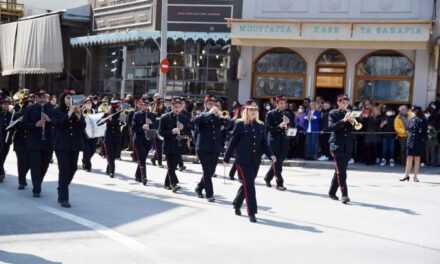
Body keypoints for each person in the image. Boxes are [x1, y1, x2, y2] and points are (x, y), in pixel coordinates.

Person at [224, 100, 275, 223]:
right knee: (250, 186)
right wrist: (227, 157)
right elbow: (233, 142)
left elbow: (264, 144)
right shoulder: (240, 124)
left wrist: (271, 155)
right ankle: (252, 212)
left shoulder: (261, 125)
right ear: (246, 111)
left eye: (255, 109)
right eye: (251, 109)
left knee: (248, 184)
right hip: (242, 160)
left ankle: (237, 203)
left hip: (255, 160)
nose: (253, 112)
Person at [52, 91, 86, 208]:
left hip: (74, 145)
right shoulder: (57, 110)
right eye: (67, 97)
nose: (70, 99)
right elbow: (59, 123)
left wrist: (78, 115)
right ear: (63, 99)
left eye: (72, 98)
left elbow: (83, 126)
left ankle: (62, 186)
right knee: (64, 170)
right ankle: (64, 198)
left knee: (73, 168)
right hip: (61, 145)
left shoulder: (78, 110)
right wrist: (70, 112)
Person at [193, 96, 225, 202]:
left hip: (215, 148)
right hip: (203, 147)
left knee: (211, 172)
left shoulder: (217, 116)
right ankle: (209, 194)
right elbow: (196, 121)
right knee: (207, 171)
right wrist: (210, 113)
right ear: (205, 104)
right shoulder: (201, 114)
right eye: (209, 103)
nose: (211, 105)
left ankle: (199, 187)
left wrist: (222, 116)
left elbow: (229, 126)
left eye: (213, 103)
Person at [22, 90, 53, 197]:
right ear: (36, 98)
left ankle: (38, 182)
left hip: (48, 142)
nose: (43, 99)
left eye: (45, 97)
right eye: (40, 97)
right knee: (35, 166)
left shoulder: (52, 108)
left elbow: (58, 123)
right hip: (34, 142)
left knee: (44, 166)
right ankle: (36, 188)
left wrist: (50, 120)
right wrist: (35, 125)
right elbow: (24, 124)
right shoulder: (29, 109)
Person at [158, 98, 189, 192]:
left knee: (173, 166)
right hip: (168, 145)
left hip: (179, 145)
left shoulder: (184, 117)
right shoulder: (165, 117)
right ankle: (173, 184)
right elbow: (160, 132)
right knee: (170, 166)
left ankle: (167, 183)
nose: (177, 109)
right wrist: (171, 131)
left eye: (179, 107)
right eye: (175, 107)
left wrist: (183, 129)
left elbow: (188, 132)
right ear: (172, 106)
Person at [328, 94, 354, 204]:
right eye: (343, 102)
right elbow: (331, 127)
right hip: (336, 144)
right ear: (338, 102)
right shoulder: (333, 113)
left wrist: (353, 121)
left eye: (347, 102)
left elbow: (354, 129)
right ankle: (344, 195)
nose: (345, 104)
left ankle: (332, 192)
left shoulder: (349, 113)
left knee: (339, 170)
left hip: (347, 145)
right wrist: (343, 120)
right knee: (342, 171)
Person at [264, 96, 293, 191]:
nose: (283, 105)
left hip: (284, 140)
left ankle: (268, 177)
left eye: (284, 103)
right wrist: (280, 126)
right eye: (281, 103)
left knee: (279, 161)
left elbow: (290, 128)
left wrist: (288, 125)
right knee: (277, 162)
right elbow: (269, 129)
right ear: (276, 104)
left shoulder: (288, 113)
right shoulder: (270, 114)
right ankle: (279, 183)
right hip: (273, 140)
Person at [9, 90, 31, 189]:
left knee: (29, 162)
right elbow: (11, 126)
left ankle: (22, 177)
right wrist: (16, 115)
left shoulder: (31, 109)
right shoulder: (15, 110)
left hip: (30, 140)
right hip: (19, 139)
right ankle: (21, 181)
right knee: (21, 161)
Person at [131, 96, 156, 185]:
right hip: (138, 139)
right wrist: (142, 127)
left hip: (147, 140)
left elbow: (154, 128)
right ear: (141, 105)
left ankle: (137, 175)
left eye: (147, 105)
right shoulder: (137, 114)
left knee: (143, 158)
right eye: (144, 105)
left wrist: (151, 124)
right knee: (142, 159)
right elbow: (133, 128)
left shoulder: (152, 115)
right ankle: (144, 177)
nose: (146, 106)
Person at [400, 107, 428, 182]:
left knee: (417, 159)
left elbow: (424, 132)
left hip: (419, 141)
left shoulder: (423, 119)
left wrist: (422, 141)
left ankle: (415, 177)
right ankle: (406, 175)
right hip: (411, 141)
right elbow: (408, 128)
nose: (412, 112)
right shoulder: (412, 119)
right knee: (409, 158)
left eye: (413, 111)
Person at [101, 100, 123, 178]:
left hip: (117, 136)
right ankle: (112, 171)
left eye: (118, 106)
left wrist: (120, 121)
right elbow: (100, 122)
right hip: (109, 135)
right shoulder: (108, 113)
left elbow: (123, 122)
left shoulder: (121, 113)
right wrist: (106, 118)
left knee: (113, 154)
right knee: (109, 153)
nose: (118, 107)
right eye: (116, 106)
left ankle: (109, 168)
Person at [81, 97, 98, 172]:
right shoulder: (82, 112)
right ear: (84, 104)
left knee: (93, 150)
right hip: (85, 134)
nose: (89, 104)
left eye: (90, 103)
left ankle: (85, 159)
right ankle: (88, 165)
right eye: (87, 103)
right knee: (87, 150)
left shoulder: (94, 111)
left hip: (93, 134)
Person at [0, 97, 12, 182]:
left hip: (7, 139)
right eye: (4, 104)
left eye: (7, 104)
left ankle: (1, 169)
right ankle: (1, 172)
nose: (6, 105)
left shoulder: (11, 115)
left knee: (4, 155)